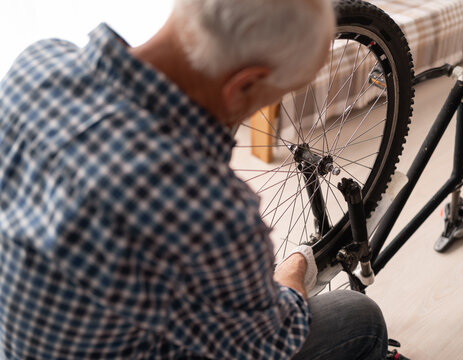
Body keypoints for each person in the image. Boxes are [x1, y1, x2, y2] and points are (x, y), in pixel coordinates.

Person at [0, 0, 388, 358]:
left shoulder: (37, 64)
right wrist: (294, 267)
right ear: (244, 85)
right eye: (276, 95)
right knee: (359, 317)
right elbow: (271, 341)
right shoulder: (208, 207)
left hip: (21, 339)